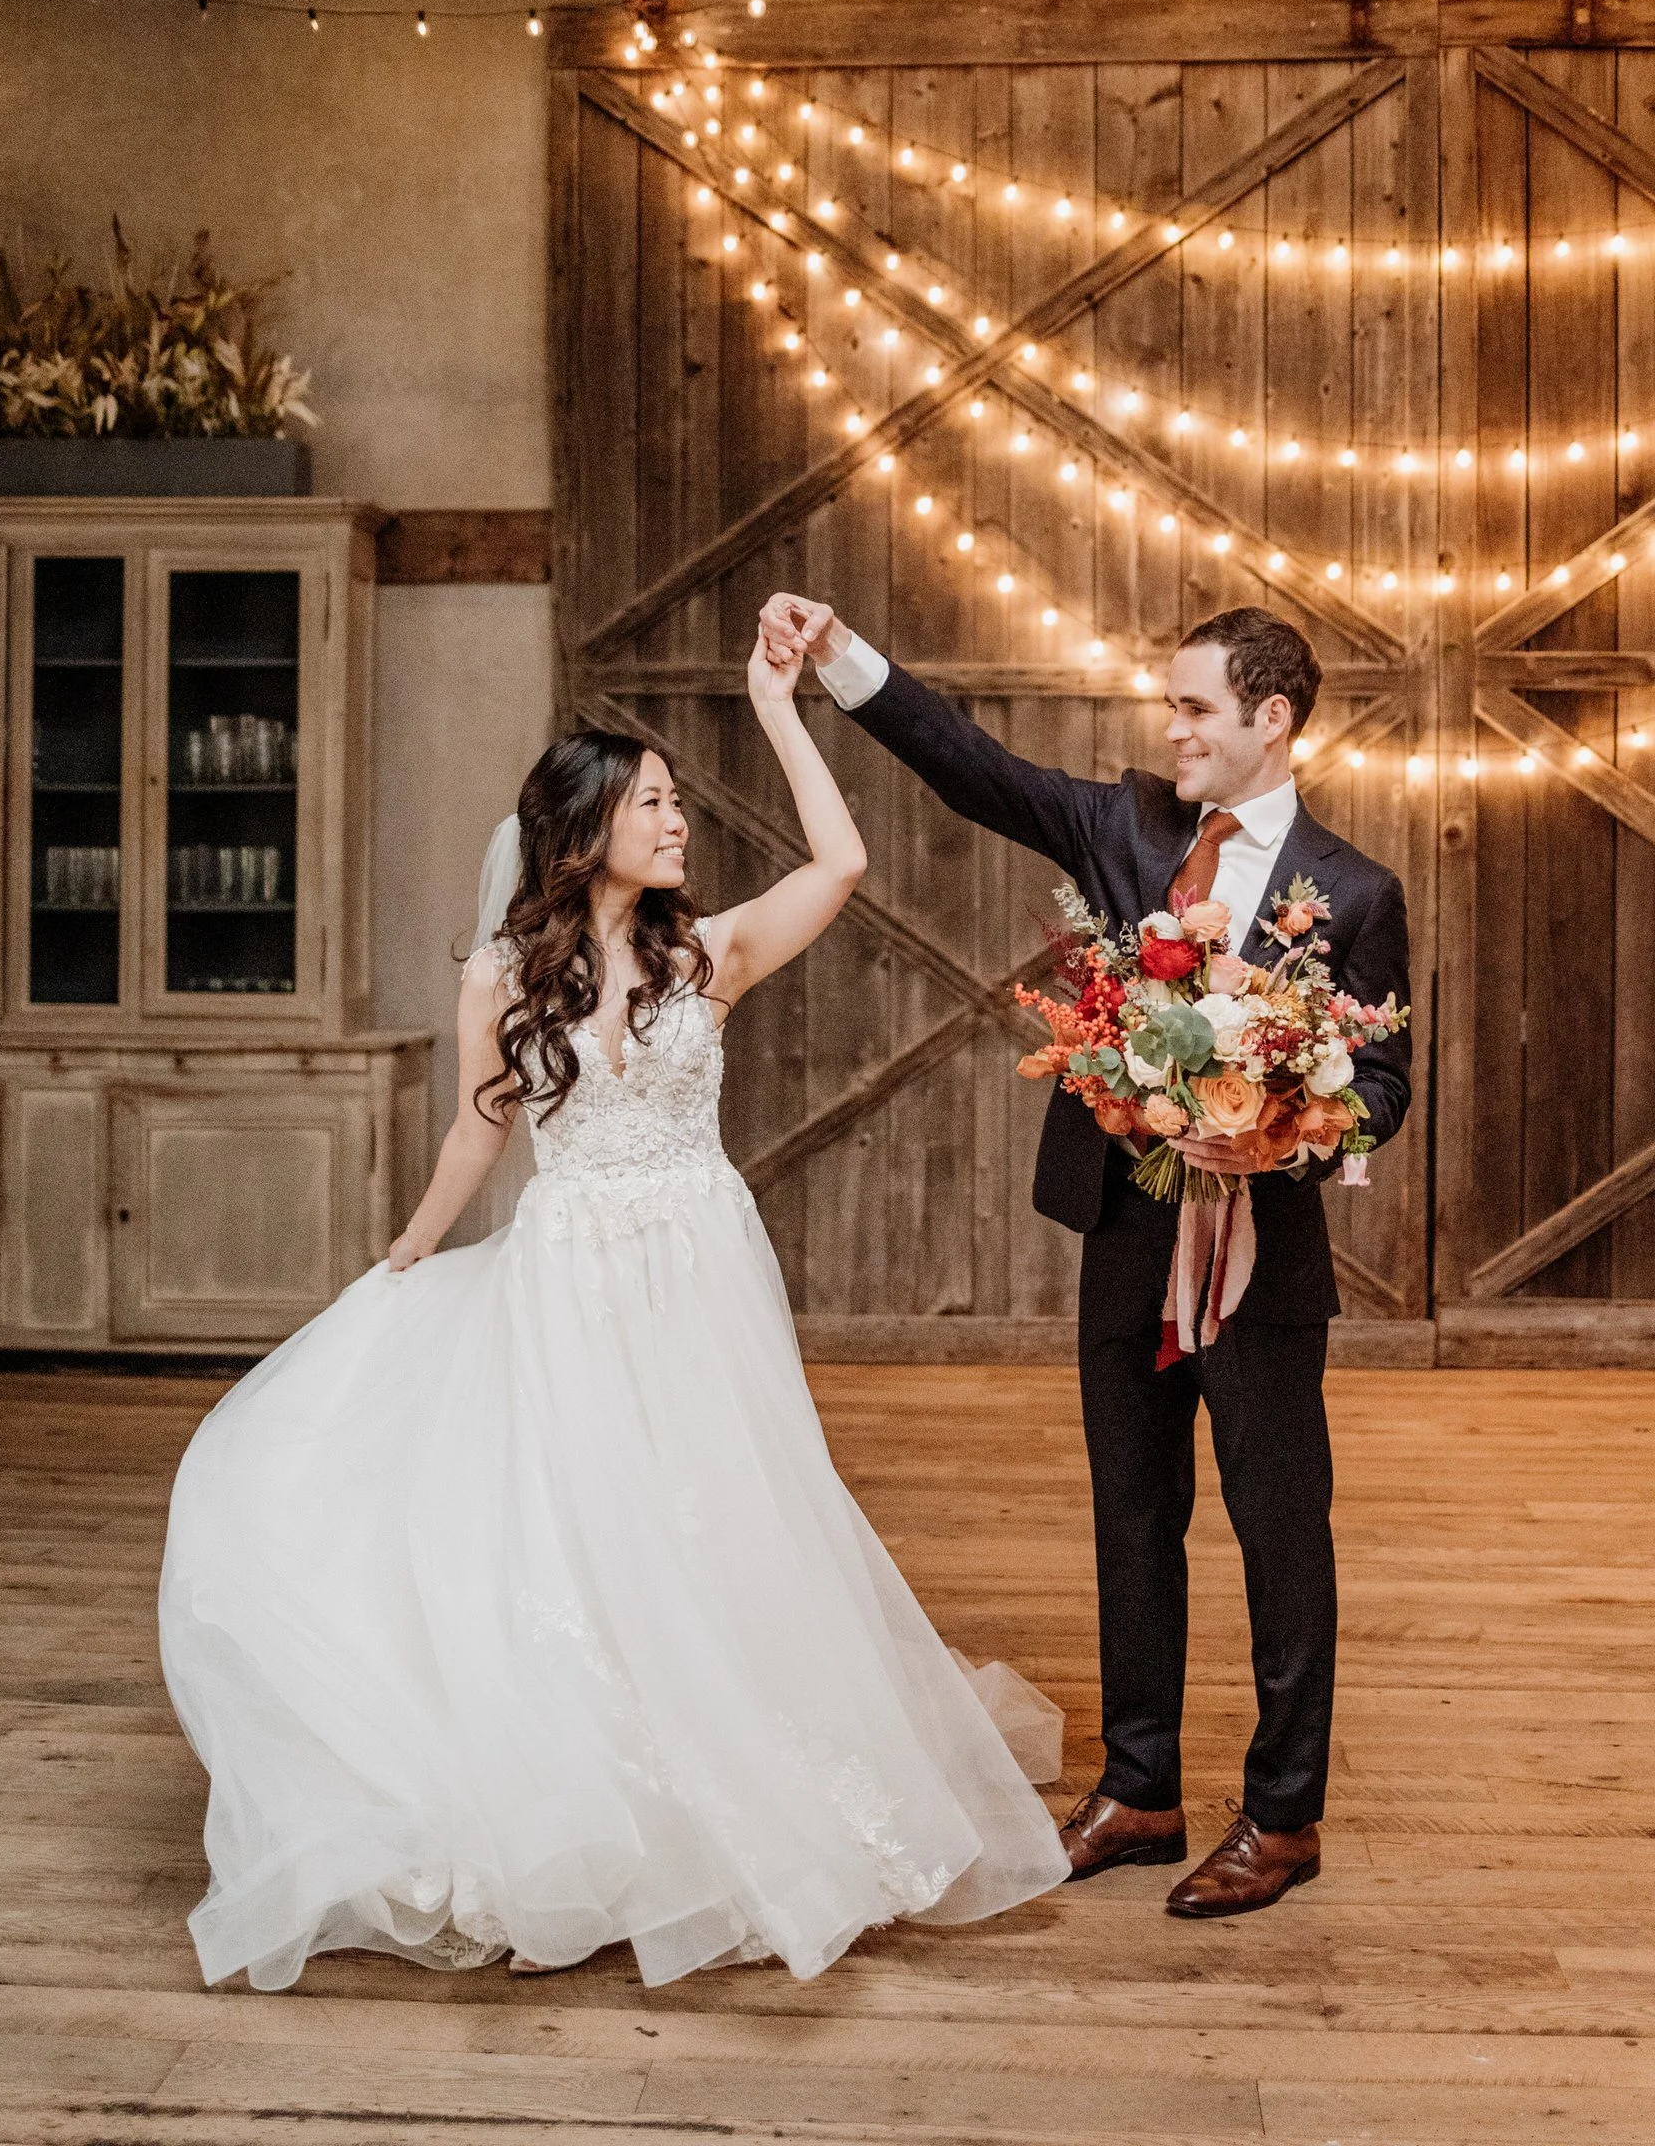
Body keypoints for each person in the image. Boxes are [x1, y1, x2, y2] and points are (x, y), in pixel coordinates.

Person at [157, 630, 1068, 1993]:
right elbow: (479, 1138)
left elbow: (843, 865)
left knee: (715, 1514)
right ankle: (597, 1802)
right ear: (584, 828)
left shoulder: (707, 956)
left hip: (699, 1269)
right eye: (651, 800)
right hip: (569, 1274)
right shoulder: (500, 979)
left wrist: (775, 701)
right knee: (585, 1533)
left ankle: (743, 1776)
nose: (678, 817)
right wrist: (400, 1258)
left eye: (676, 799)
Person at [758, 594, 1412, 1921]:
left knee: (1282, 1532)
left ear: (1270, 720)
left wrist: (1291, 1132)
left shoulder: (1354, 891)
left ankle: (1284, 1817)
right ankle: (1141, 1789)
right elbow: (975, 769)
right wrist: (839, 657)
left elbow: (1384, 1086)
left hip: (1262, 1262)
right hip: (1123, 1233)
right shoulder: (1125, 829)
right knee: (1132, 1512)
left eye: (1194, 708)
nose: (1170, 729)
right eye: (1168, 705)